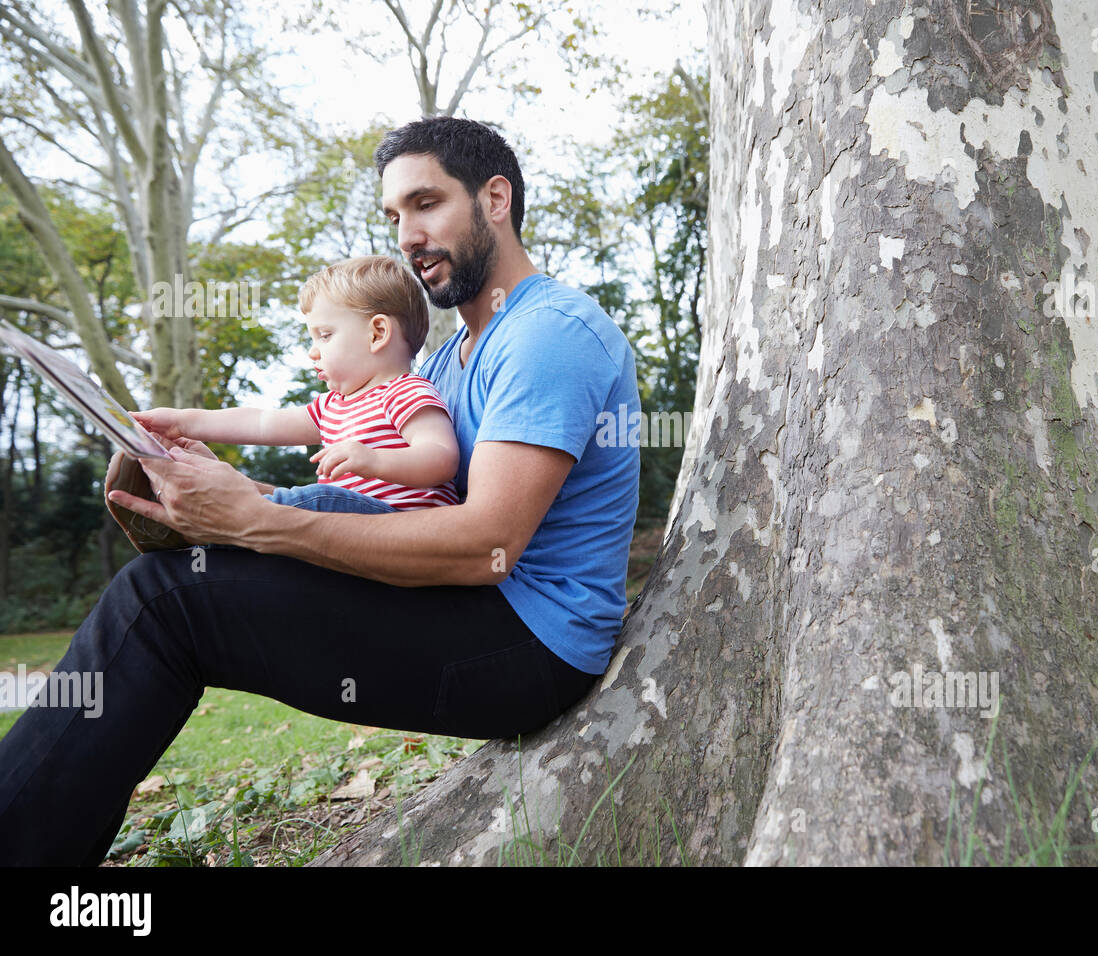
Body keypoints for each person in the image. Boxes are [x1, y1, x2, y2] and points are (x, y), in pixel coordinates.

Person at [0, 116, 641, 865]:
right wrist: (231, 496)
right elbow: (381, 506)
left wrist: (257, 522)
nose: (408, 234)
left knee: (164, 604)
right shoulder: (443, 365)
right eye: (395, 216)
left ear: (494, 198)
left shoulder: (548, 334)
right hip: (470, 609)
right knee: (167, 590)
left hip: (528, 644)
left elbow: (486, 547)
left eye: (426, 203)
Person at [131, 255, 460, 520]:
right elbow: (261, 422)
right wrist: (181, 421)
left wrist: (372, 460)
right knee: (304, 502)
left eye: (325, 335)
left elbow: (442, 458)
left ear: (377, 333)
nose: (313, 351)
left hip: (401, 524)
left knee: (311, 499)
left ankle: (223, 518)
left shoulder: (407, 392)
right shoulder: (332, 407)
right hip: (350, 526)